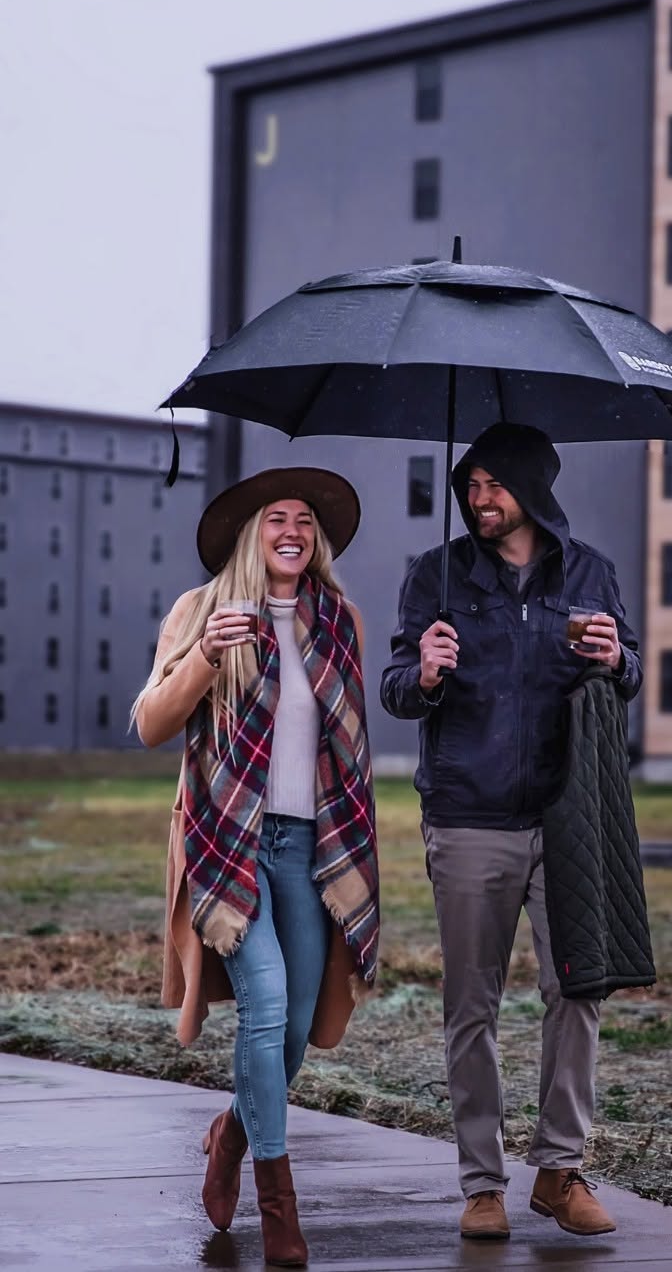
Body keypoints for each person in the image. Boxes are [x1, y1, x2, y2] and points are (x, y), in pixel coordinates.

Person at [381, 422, 641, 1242]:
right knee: (472, 1007)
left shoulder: (590, 571)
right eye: (470, 485)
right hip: (468, 815)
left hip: (568, 817)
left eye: (493, 484)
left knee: (579, 989)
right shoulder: (437, 575)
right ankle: (482, 1184)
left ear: (531, 486)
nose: (478, 498)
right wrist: (422, 672)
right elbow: (394, 687)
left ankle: (560, 1170)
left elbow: (628, 668)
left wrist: (615, 659)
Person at [132, 467, 377, 1269]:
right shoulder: (201, 613)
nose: (293, 531)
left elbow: (345, 752)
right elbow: (150, 724)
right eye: (278, 517)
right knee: (264, 1008)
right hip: (228, 844)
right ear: (252, 532)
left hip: (312, 848)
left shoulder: (340, 621)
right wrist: (204, 658)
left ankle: (231, 1133)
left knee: (297, 1030)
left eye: (306, 519)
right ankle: (280, 1204)